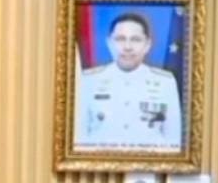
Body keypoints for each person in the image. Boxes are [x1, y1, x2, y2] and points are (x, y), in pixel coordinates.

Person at [74, 11, 183, 151]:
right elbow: (79, 138)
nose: (127, 47)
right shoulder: (89, 80)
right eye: (120, 39)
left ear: (147, 44)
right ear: (109, 43)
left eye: (136, 39)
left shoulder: (165, 82)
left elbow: (173, 141)